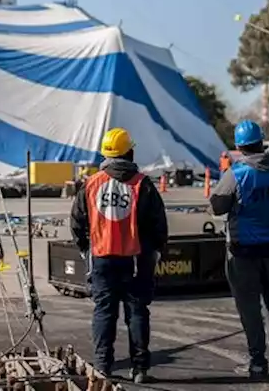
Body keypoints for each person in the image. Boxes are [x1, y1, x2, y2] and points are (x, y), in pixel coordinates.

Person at [70, 127, 168, 383]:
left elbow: (77, 222)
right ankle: (140, 368)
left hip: (102, 258)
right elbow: (158, 224)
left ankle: (103, 366)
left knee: (104, 312)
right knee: (137, 312)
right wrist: (155, 251)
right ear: (129, 151)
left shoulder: (91, 183)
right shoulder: (142, 184)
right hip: (135, 260)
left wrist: (85, 249)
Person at [210, 119, 269, 378]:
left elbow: (217, 206)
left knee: (249, 307)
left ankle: (258, 362)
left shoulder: (236, 173)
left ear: (239, 146)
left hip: (243, 250)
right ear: (262, 141)